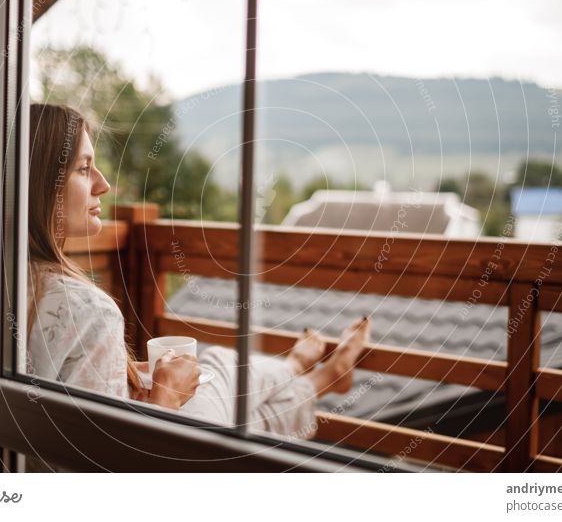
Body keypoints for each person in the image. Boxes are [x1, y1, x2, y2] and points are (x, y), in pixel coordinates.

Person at [25, 103, 371, 448]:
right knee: (221, 366)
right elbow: (108, 461)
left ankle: (320, 377)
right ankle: (303, 370)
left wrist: (125, 379)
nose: (104, 184)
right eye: (85, 169)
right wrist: (166, 398)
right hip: (154, 460)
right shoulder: (87, 311)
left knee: (250, 417)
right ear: (41, 183)